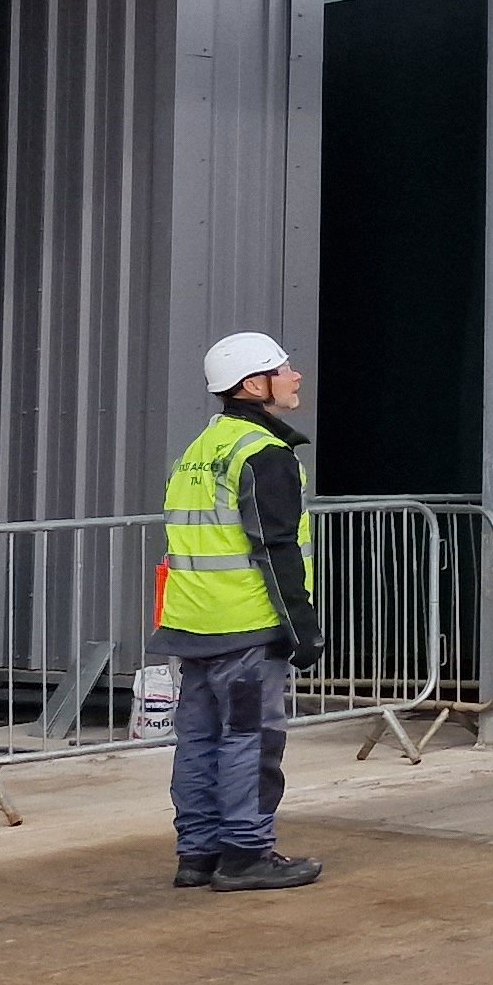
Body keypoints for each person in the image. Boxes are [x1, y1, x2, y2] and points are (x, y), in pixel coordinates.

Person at [149, 332, 324, 892]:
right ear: (255, 385)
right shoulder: (263, 454)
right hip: (246, 626)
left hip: (193, 625)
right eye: (283, 368)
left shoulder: (199, 450)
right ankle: (246, 852)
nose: (295, 377)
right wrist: (304, 628)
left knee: (199, 741)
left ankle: (197, 853)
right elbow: (274, 549)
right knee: (251, 740)